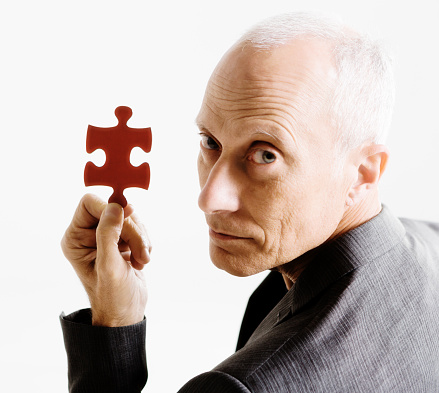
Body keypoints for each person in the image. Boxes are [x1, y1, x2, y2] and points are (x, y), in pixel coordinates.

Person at [60, 12, 439, 392]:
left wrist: (111, 331)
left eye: (265, 155)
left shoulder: (243, 386)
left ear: (363, 174)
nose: (209, 197)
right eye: (210, 142)